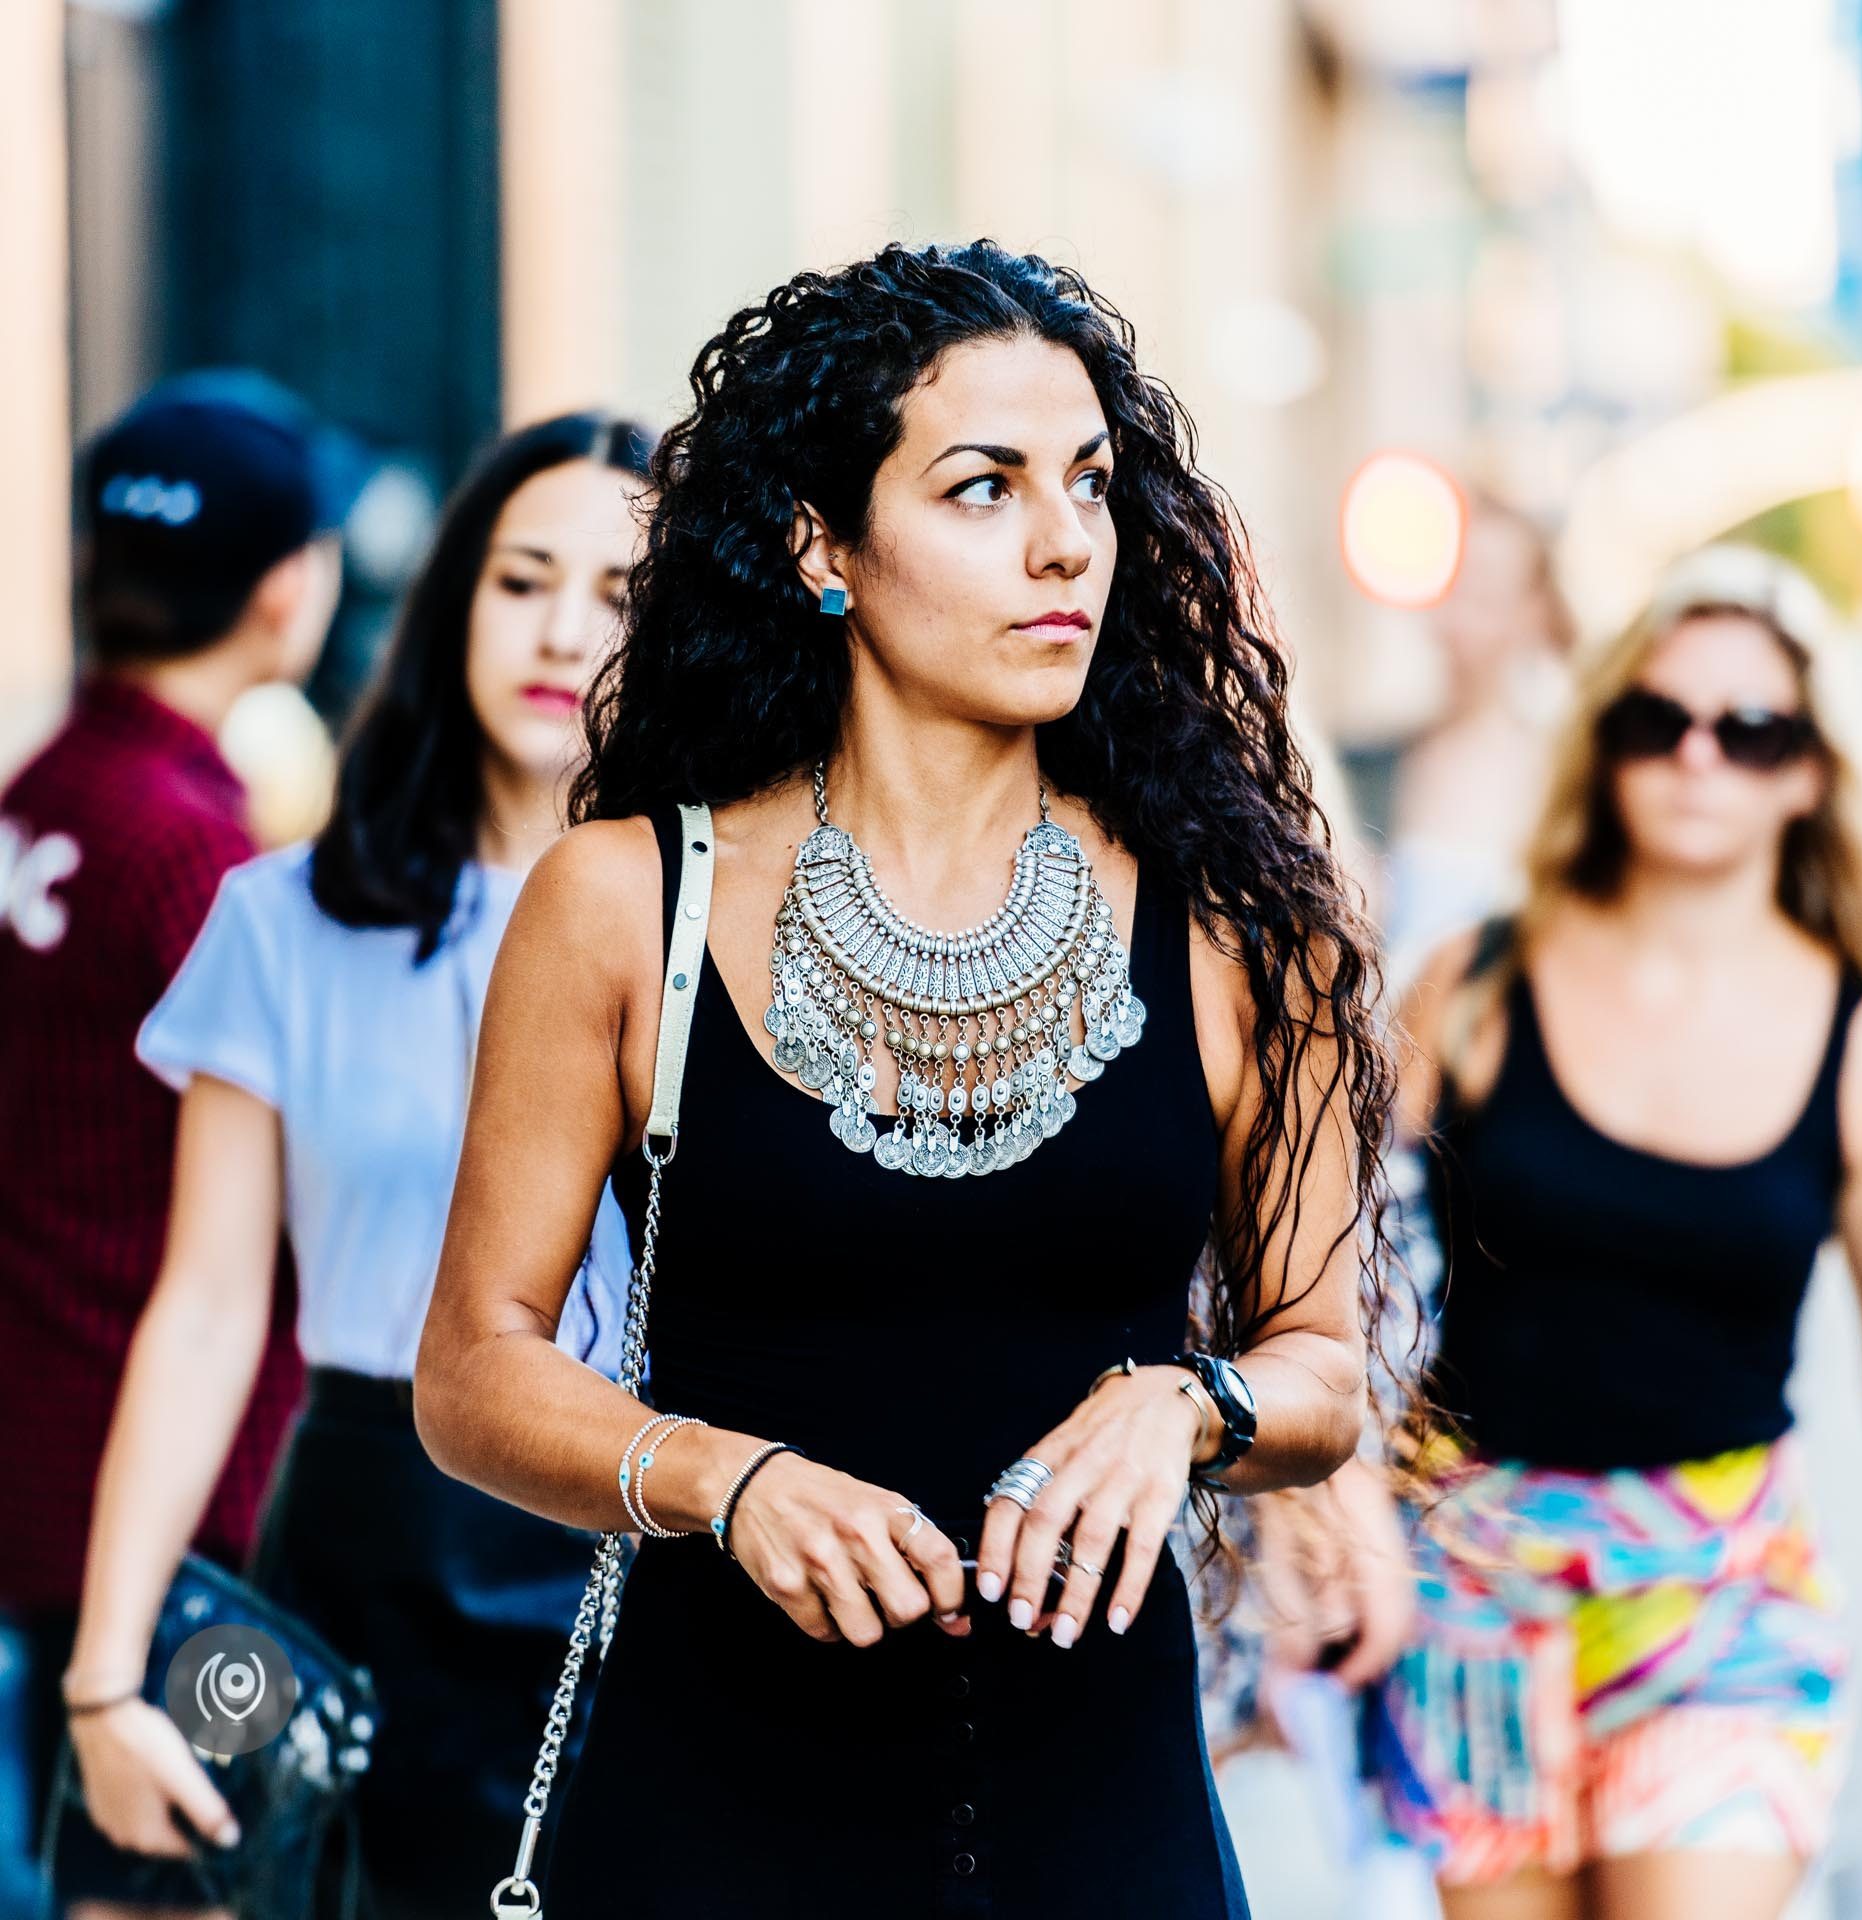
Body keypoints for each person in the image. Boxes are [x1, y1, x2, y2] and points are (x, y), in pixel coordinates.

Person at [412, 239, 1405, 1919]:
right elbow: (471, 1372)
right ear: (821, 543)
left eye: (1089, 481)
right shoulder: (622, 902)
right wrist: (722, 1478)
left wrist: (1188, 1401)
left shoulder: (1242, 922)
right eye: (982, 487)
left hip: (1113, 1835)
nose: (1063, 541)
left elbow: (1323, 1367)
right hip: (712, 1831)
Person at [59, 413, 655, 1920]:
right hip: (350, 1540)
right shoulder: (278, 921)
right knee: (134, 1883)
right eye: (521, 580)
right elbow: (203, 1312)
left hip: (642, 1546)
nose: (563, 630)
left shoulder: (741, 931)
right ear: (453, 597)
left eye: (620, 594)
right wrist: (107, 1675)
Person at [1377, 545, 1862, 1920]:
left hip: (1725, 1600)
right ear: (1604, 744)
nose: (1695, 757)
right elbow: (1318, 1236)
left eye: (1750, 731)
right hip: (1477, 1588)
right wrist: (1330, 1491)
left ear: (1810, 772)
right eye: (1653, 719)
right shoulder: (1478, 984)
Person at [0, 380, 346, 1917]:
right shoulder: (198, 856)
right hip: (179, 1517)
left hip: (53, 1471)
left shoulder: (44, 801)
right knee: (175, 1886)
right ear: (288, 589)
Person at [1386, 496, 1573, 982]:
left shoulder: (1556, 770)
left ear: (1535, 611)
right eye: (1451, 583)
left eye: (1483, 592)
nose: (1457, 612)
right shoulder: (1386, 758)